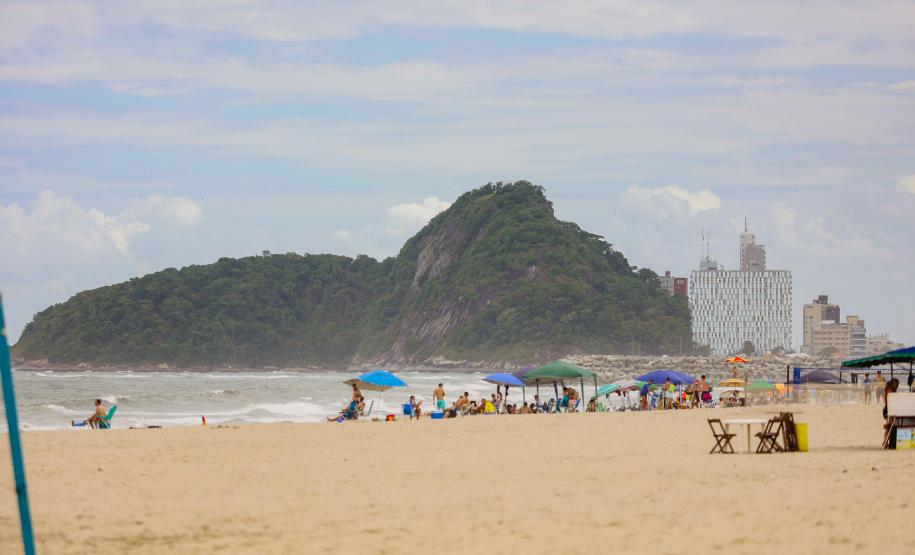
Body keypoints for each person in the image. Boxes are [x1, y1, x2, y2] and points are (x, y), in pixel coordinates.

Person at [883, 378, 900, 448]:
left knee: (889, 427)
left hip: (889, 409)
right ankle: (885, 442)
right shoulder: (889, 390)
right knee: (888, 426)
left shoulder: (889, 389)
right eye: (896, 384)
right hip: (888, 410)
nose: (897, 386)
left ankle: (885, 441)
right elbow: (889, 400)